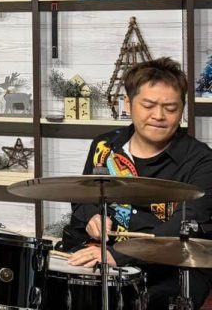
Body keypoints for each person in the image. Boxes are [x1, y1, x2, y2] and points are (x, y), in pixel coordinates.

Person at [63, 57, 212, 309]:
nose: (159, 116)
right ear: (128, 103)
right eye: (148, 105)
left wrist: (117, 255)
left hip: (170, 269)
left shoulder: (202, 161)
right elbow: (82, 198)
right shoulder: (104, 146)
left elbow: (185, 226)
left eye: (170, 108)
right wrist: (92, 216)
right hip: (104, 253)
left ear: (182, 109)